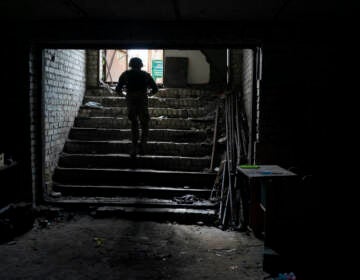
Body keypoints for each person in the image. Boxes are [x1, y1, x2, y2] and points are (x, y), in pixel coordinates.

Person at [115, 57, 158, 158]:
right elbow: (155, 89)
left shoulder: (125, 74)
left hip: (131, 100)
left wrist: (125, 95)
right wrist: (149, 94)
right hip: (142, 99)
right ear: (140, 65)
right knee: (144, 123)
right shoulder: (145, 75)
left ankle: (134, 148)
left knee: (134, 123)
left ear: (130, 64)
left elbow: (118, 90)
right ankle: (143, 145)